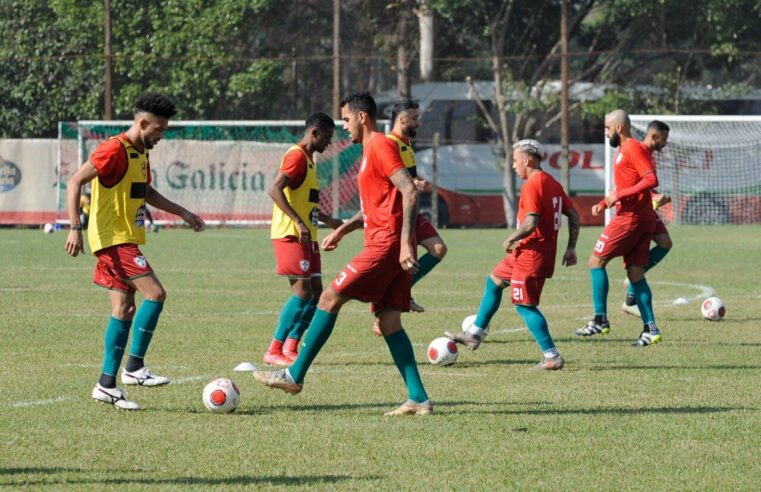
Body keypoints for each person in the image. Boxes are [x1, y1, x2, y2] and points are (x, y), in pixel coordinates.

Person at [253, 91, 433, 416]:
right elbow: (376, 206)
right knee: (390, 322)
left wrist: (407, 242)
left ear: (362, 117)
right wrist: (341, 229)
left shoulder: (380, 146)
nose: (345, 127)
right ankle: (418, 398)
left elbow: (408, 190)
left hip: (385, 245)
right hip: (386, 243)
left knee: (328, 298)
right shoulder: (368, 152)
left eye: (347, 120)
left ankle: (294, 375)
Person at [64, 93, 205, 410]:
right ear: (142, 123)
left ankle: (106, 385)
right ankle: (135, 367)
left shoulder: (140, 154)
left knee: (124, 311)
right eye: (158, 130)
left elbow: (147, 192)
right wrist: (74, 227)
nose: (161, 136)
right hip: (115, 240)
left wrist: (182, 212)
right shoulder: (114, 149)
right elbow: (75, 182)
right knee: (156, 294)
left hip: (126, 238)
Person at [445, 139, 580, 369]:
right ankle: (475, 333)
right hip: (527, 252)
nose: (514, 166)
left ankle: (552, 356)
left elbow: (531, 222)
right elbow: (574, 215)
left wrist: (512, 237)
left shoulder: (533, 184)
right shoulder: (552, 182)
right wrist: (570, 247)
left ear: (527, 160)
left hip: (532, 254)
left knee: (524, 305)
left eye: (515, 160)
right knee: (494, 281)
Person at [575, 109, 662, 346]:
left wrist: (621, 195)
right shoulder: (623, 152)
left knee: (596, 261)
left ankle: (600, 320)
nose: (605, 132)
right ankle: (650, 329)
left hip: (631, 218)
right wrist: (605, 203)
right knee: (636, 274)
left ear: (618, 128)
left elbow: (651, 179)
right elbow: (626, 186)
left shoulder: (632, 148)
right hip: (640, 218)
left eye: (606, 128)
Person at [262, 112, 343, 366]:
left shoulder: (310, 161)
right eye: (327, 138)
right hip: (290, 234)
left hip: (309, 236)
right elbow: (274, 189)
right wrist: (297, 221)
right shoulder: (296, 155)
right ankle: (273, 349)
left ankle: (291, 345)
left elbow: (306, 203)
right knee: (302, 294)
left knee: (318, 295)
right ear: (314, 134)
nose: (329, 143)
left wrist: (328, 220)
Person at [384, 99, 448, 315]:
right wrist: (412, 185)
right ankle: (386, 311)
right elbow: (385, 181)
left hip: (411, 209)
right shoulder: (388, 145)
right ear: (402, 119)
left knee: (438, 249)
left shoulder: (406, 144)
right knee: (397, 265)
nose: (418, 123)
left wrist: (417, 181)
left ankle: (405, 290)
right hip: (396, 213)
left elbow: (405, 177)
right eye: (414, 118)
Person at [621, 120, 672, 316]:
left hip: (647, 207)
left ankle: (632, 285)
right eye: (664, 139)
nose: (665, 143)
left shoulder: (649, 155)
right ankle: (632, 293)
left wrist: (657, 195)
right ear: (654, 136)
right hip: (635, 211)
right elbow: (629, 183)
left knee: (665, 243)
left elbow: (644, 183)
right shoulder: (637, 151)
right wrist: (653, 197)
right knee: (636, 256)